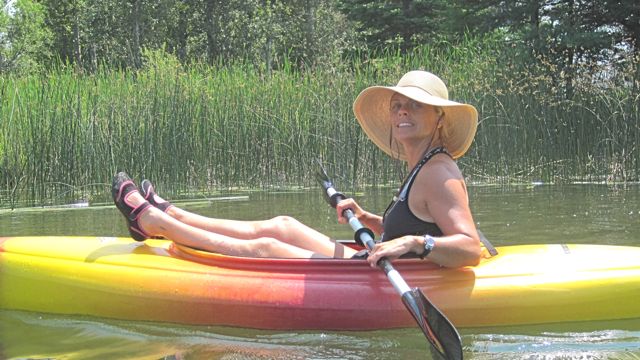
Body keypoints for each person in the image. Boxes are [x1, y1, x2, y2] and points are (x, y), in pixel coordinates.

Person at [112, 70, 482, 268]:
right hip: (371, 260)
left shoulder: (439, 173)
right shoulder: (422, 165)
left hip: (375, 276)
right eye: (398, 104)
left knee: (267, 246)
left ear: (439, 117)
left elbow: (469, 248)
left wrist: (416, 242)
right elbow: (416, 226)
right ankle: (171, 212)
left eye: (415, 106)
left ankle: (156, 225)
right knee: (284, 225)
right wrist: (372, 220)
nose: (402, 111)